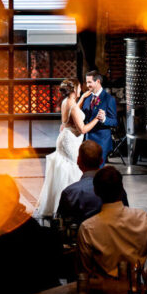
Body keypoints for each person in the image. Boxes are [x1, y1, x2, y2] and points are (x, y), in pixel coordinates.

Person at [33, 78, 101, 218]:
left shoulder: (66, 102)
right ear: (74, 89)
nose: (81, 89)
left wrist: (82, 98)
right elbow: (82, 129)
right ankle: (70, 206)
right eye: (79, 87)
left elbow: (74, 111)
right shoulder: (73, 106)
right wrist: (97, 119)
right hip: (70, 140)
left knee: (63, 170)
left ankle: (59, 204)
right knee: (72, 170)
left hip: (65, 137)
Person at [77, 166, 147, 279]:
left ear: (96, 191)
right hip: (135, 285)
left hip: (103, 288)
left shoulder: (87, 228)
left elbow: (84, 271)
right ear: (122, 188)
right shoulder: (142, 217)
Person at [56, 142, 129, 228]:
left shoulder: (70, 192)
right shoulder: (117, 187)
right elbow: (125, 214)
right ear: (101, 161)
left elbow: (61, 224)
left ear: (78, 161)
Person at [80, 70, 117, 167]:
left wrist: (104, 119)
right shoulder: (86, 97)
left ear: (98, 82)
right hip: (88, 140)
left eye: (89, 82)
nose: (87, 85)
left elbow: (114, 122)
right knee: (88, 169)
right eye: (86, 82)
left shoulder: (109, 99)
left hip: (102, 141)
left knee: (98, 169)